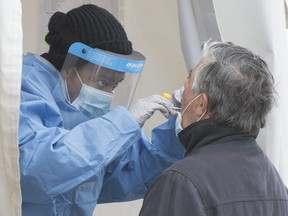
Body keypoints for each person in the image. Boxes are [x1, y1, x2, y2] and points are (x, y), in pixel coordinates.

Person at [19, 4, 185, 216]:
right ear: (70, 67)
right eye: (102, 82)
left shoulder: (81, 104)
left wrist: (179, 130)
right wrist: (124, 124)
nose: (107, 94)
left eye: (114, 85)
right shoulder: (22, 89)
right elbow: (36, 171)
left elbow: (128, 174)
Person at [139, 41, 288, 216]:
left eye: (189, 77)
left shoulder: (181, 183)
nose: (183, 87)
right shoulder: (276, 186)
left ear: (201, 104)